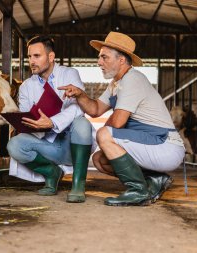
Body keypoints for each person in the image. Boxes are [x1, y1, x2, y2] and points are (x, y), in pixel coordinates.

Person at [59, 32, 185, 206]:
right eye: (99, 57)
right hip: (153, 144)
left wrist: (101, 137)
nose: (99, 62)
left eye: (104, 57)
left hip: (165, 145)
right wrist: (80, 95)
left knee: (104, 135)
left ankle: (138, 191)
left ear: (121, 60)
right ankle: (155, 179)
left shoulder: (132, 80)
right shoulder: (117, 83)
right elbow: (95, 109)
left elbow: (117, 123)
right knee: (100, 160)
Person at [7, 35, 95, 203]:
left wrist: (53, 122)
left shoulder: (70, 74)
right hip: (47, 146)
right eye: (29, 56)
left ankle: (78, 185)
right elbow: (26, 116)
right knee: (15, 144)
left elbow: (78, 107)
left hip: (72, 145)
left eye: (37, 56)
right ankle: (52, 172)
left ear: (51, 57)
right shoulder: (26, 86)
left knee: (82, 123)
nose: (31, 61)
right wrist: (28, 123)